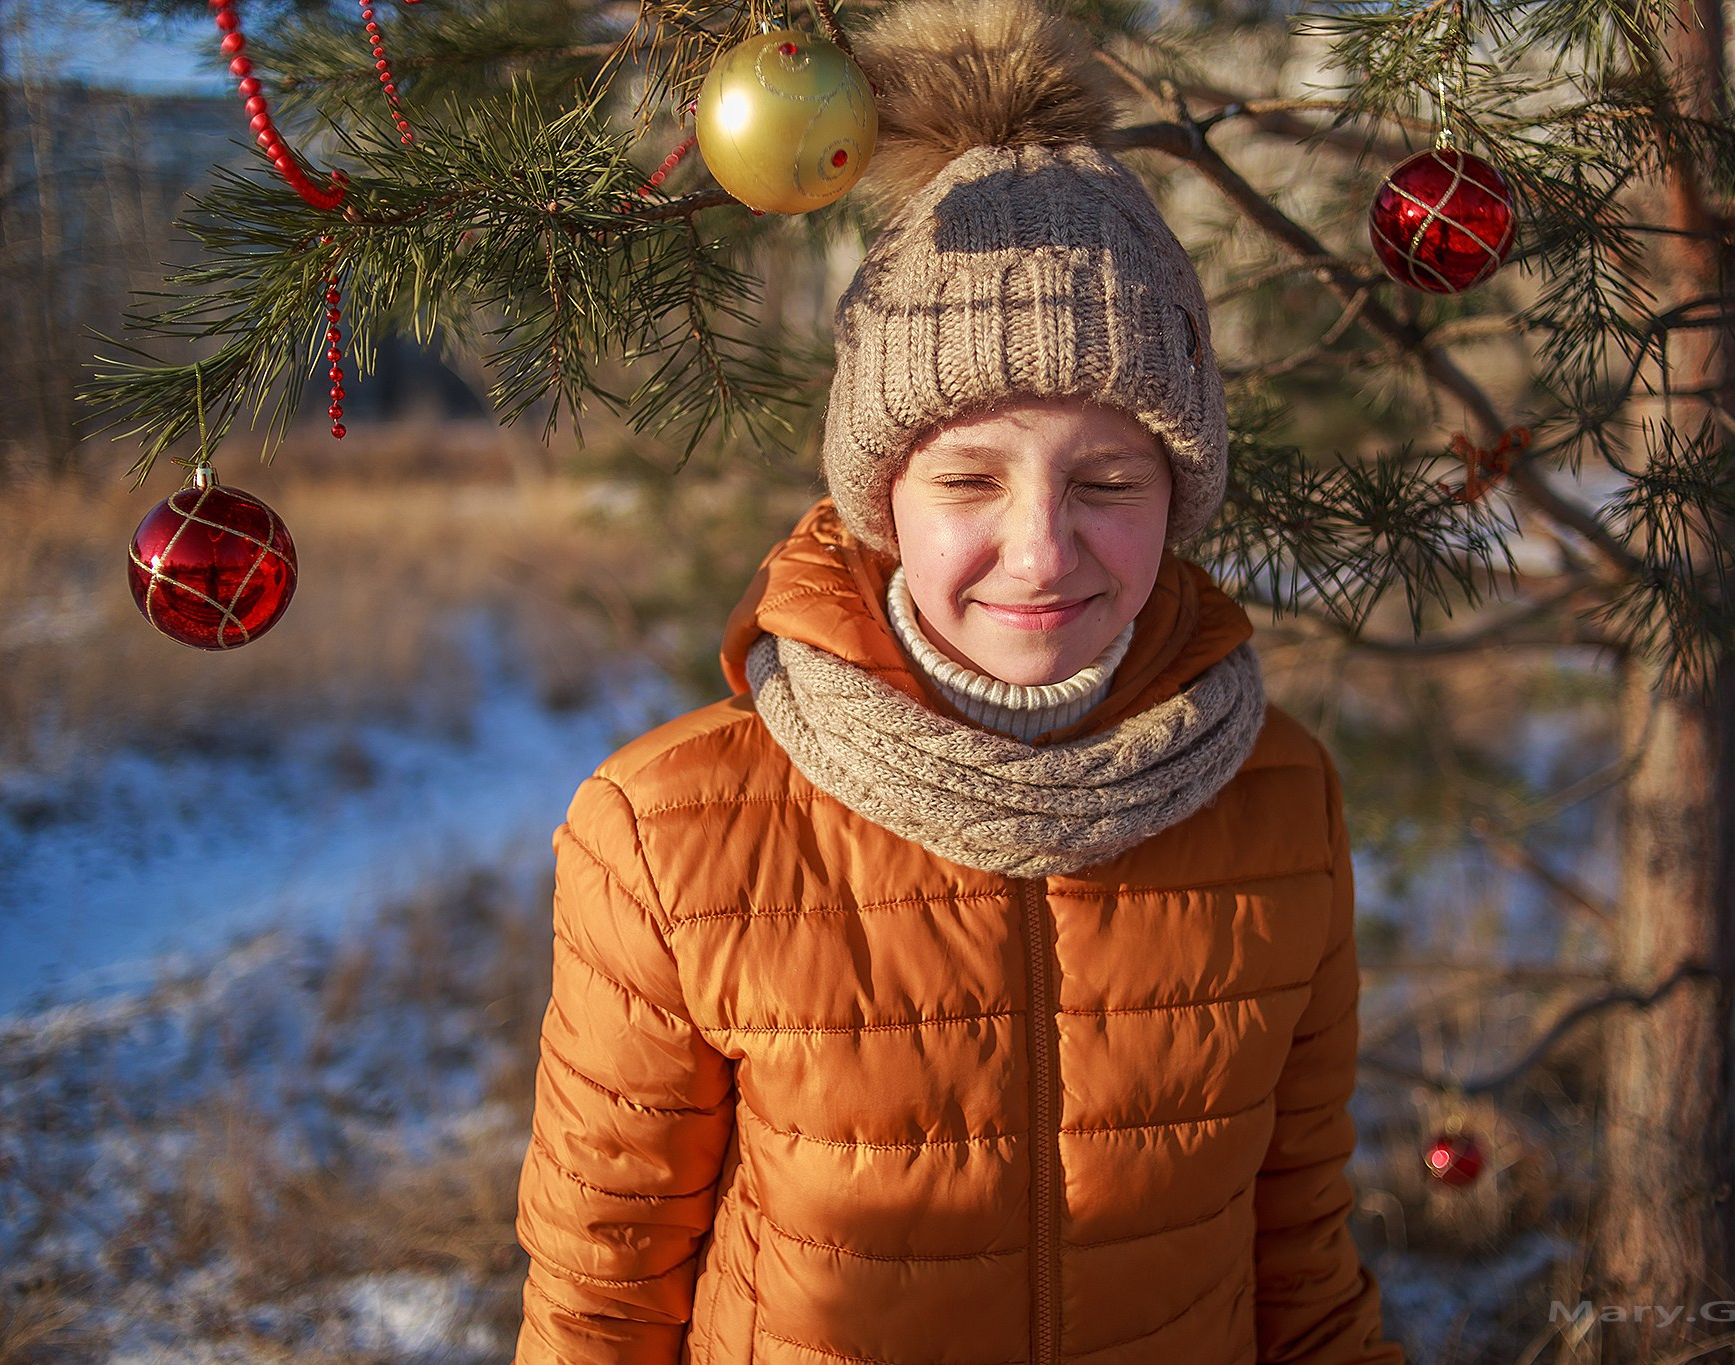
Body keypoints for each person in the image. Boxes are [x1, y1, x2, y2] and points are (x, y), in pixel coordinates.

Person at [512, 1, 1403, 1361]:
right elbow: (601, 1303)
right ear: (880, 497)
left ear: (1181, 493)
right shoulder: (667, 837)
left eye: (1107, 481)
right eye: (969, 479)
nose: (1040, 551)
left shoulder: (1283, 801)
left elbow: (1302, 1261)